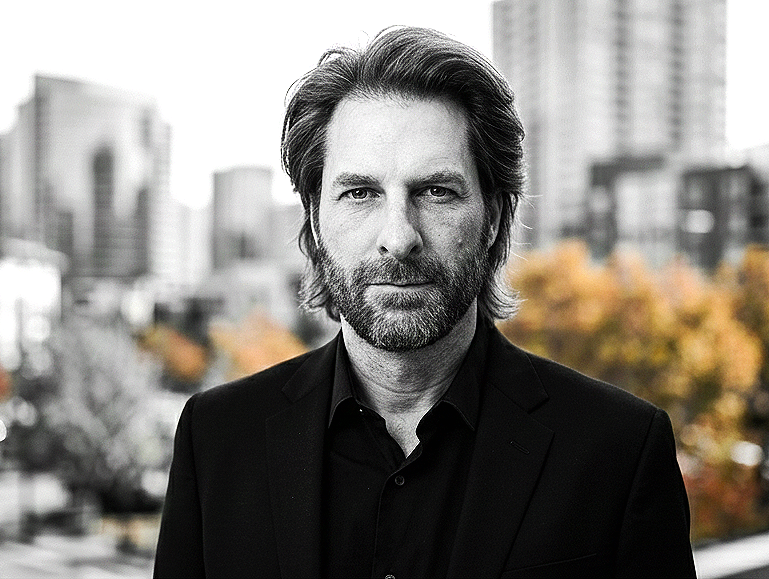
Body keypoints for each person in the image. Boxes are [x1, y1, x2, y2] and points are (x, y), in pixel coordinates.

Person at [154, 26, 696, 578]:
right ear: (315, 221)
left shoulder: (619, 452)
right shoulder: (216, 440)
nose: (399, 237)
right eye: (360, 193)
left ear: (494, 218)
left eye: (436, 191)